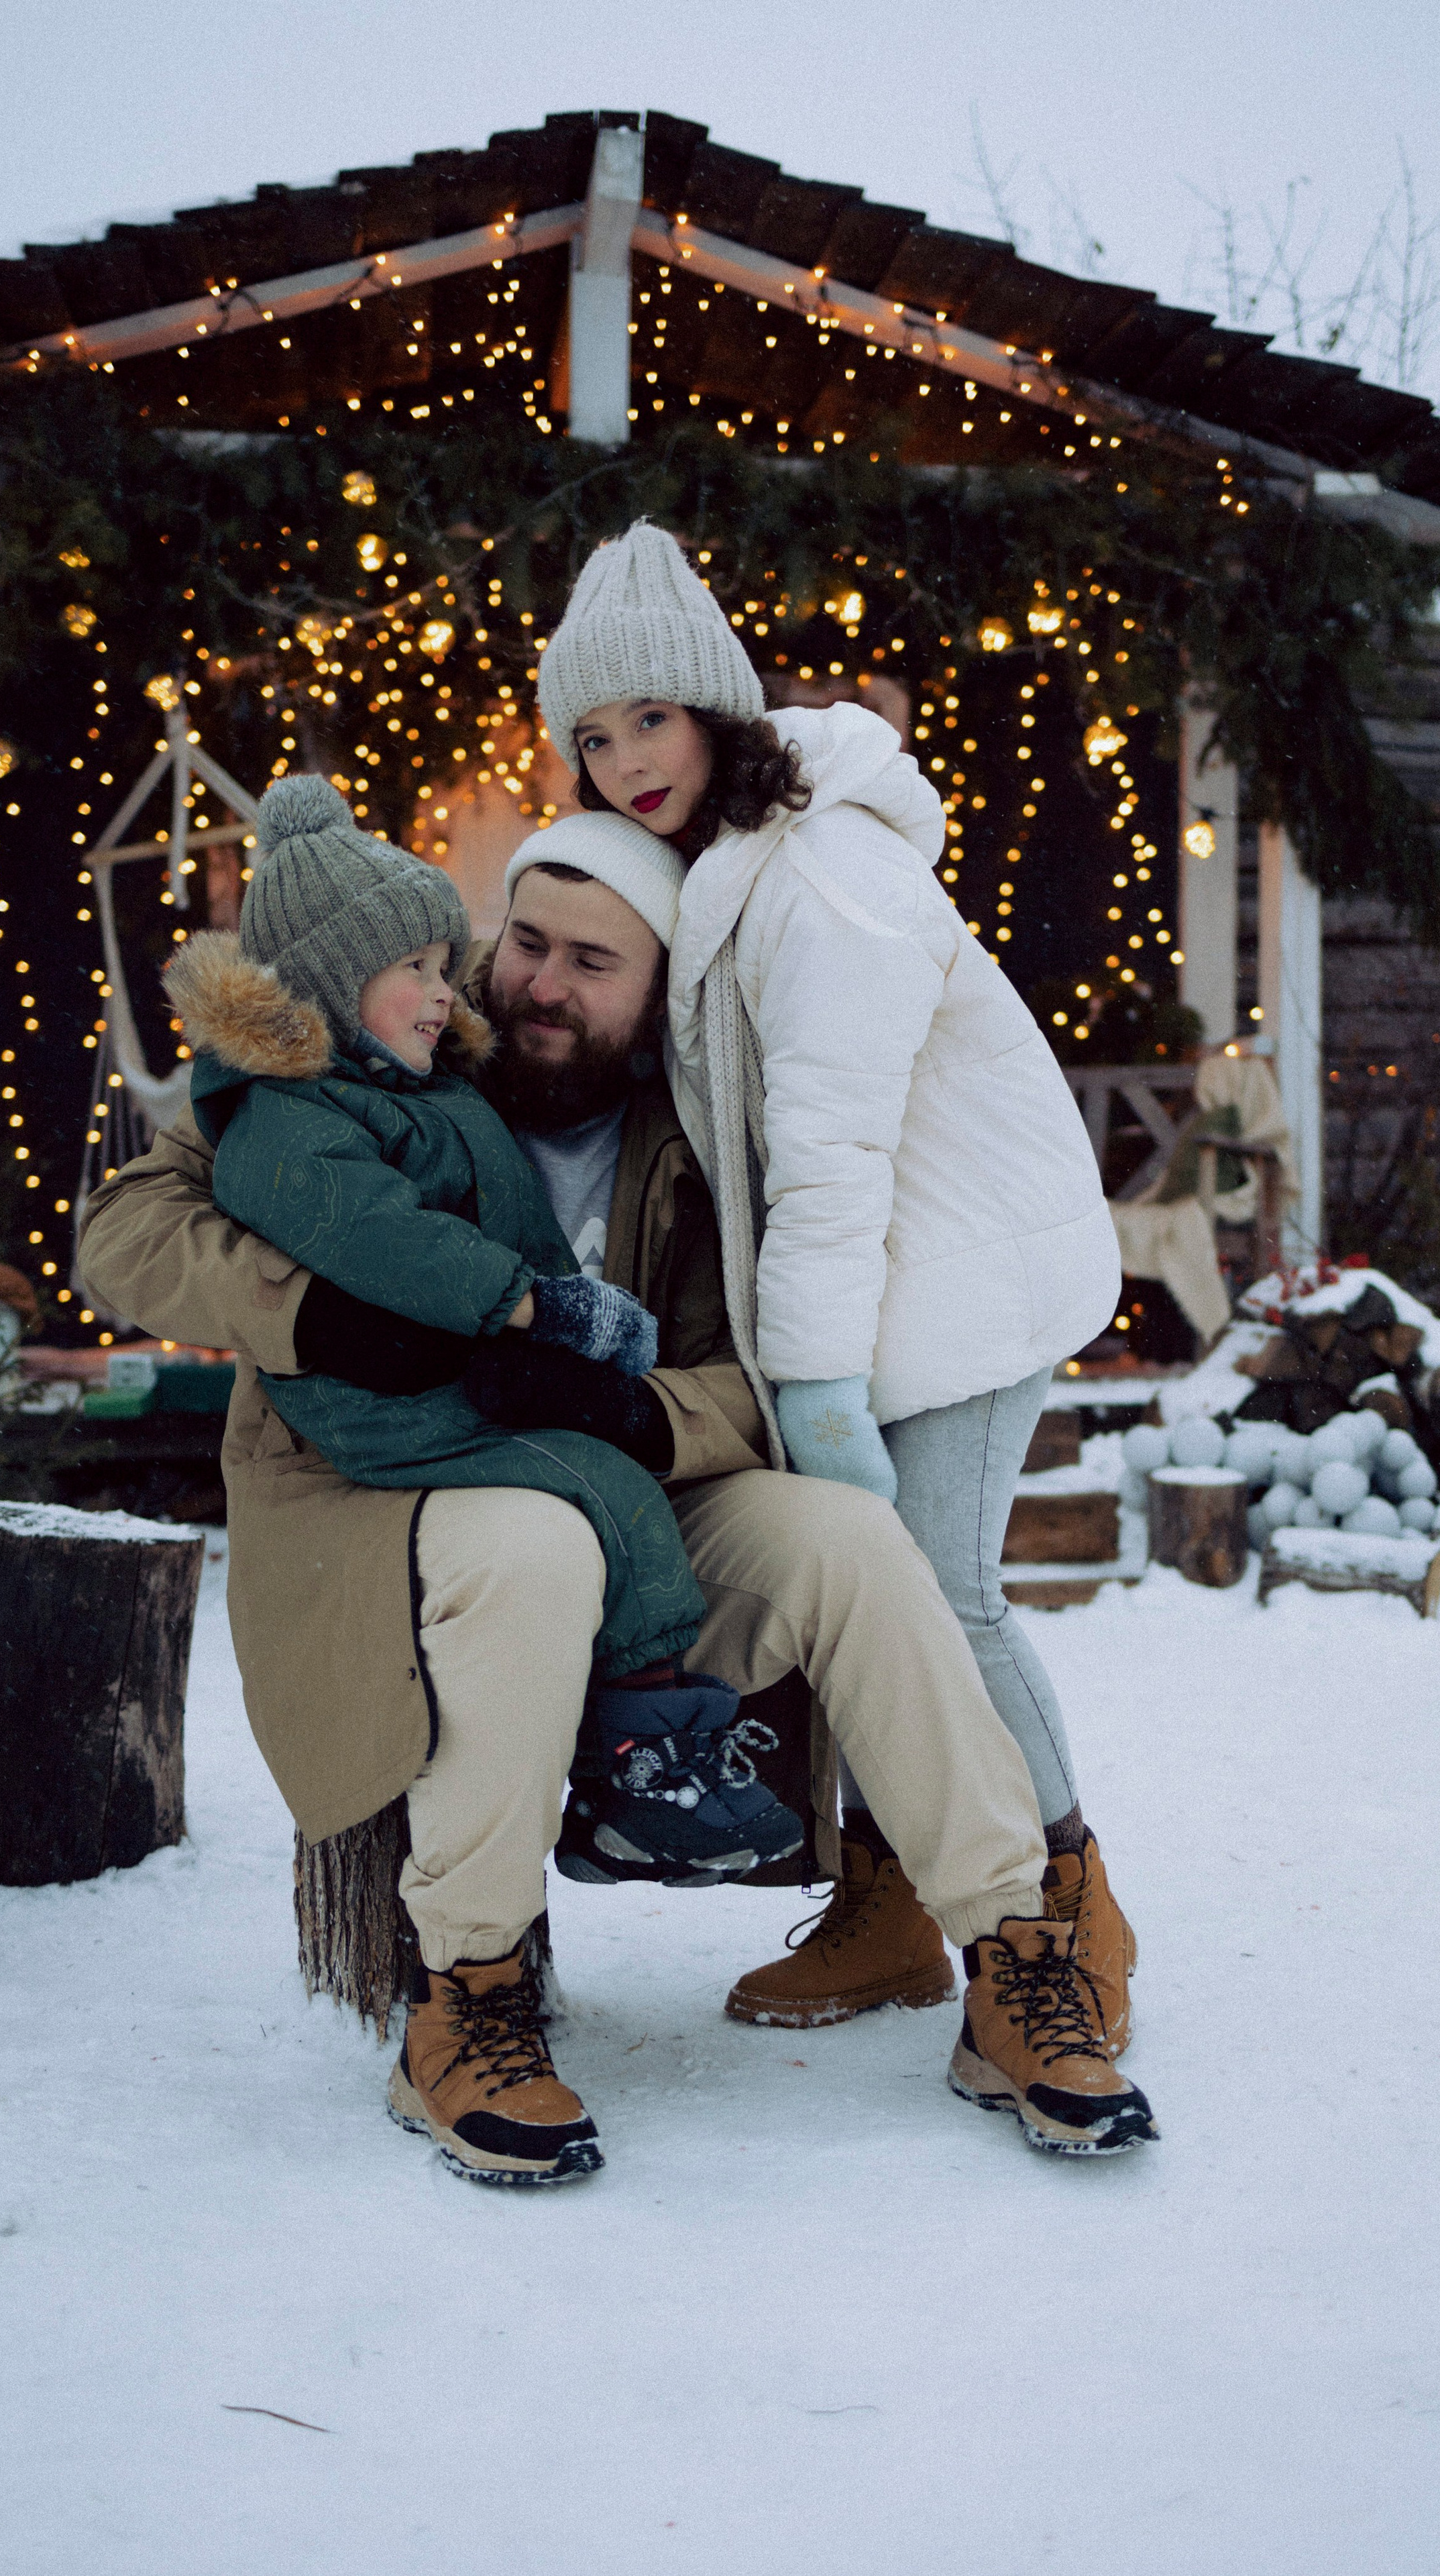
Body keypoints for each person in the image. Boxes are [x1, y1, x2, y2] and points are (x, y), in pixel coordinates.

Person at [83, 831, 1156, 2184]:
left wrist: (648, 1414)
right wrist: (327, 1317)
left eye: (593, 964)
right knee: (531, 1547)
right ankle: (464, 1999)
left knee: (845, 1543)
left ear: (658, 993)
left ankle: (1010, 1956)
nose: (539, 984)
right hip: (387, 1493)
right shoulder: (384, 1041)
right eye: (524, 942)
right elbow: (124, 1232)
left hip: (624, 1480)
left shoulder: (704, 1135)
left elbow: (761, 1380)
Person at [535, 521, 1138, 2065]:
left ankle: (1063, 1905)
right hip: (882, 1286)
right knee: (888, 1604)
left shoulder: (822, 872)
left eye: (645, 721)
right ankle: (893, 1907)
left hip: (958, 1279)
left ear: (715, 707)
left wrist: (804, 1385)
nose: (619, 764)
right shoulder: (721, 869)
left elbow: (829, 1156)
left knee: (937, 1602)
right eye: (589, 738)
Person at [168, 773, 804, 1905]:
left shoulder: (427, 1072)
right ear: (322, 986)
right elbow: (380, 1240)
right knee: (591, 1500)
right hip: (374, 1423)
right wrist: (534, 1310)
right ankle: (632, 1769)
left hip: (480, 1387)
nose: (452, 988)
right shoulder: (288, 1113)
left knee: (627, 1484)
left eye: (595, 963)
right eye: (420, 968)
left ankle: (666, 1757)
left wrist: (601, 1375)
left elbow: (750, 1370)